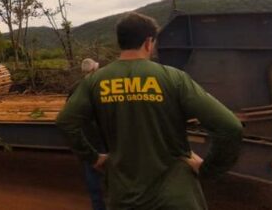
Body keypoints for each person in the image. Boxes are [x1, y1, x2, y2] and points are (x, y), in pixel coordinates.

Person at [56, 12, 243, 210]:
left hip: (124, 197)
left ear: (121, 41)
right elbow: (230, 127)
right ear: (148, 42)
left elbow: (66, 122)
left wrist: (93, 158)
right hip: (176, 196)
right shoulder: (174, 78)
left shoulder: (95, 81)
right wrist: (208, 170)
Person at [73, 58, 107, 210]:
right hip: (104, 138)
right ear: (94, 70)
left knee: (93, 174)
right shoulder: (103, 87)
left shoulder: (75, 89)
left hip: (88, 138)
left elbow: (68, 118)